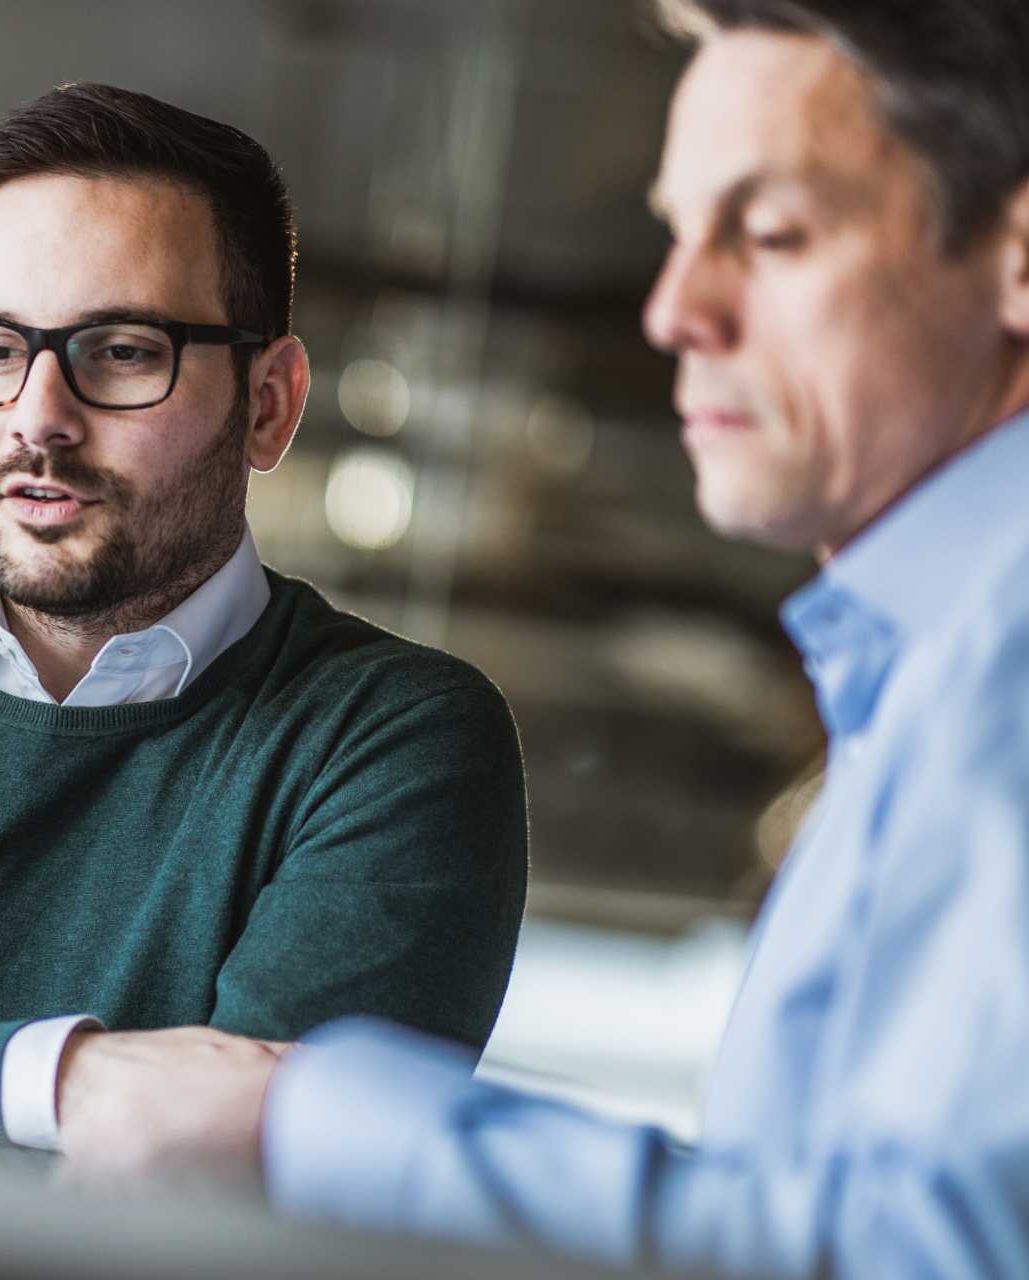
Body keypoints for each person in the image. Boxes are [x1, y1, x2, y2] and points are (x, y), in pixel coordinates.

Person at [57, 2, 1029, 1274]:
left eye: (774, 233)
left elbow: (938, 1255)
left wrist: (323, 1121)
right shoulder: (916, 680)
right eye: (680, 236)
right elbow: (827, 1215)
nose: (674, 309)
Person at [0, 84, 528, 1157]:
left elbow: (243, 1182)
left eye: (121, 350)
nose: (37, 417)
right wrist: (68, 1080)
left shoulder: (389, 742)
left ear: (268, 405)